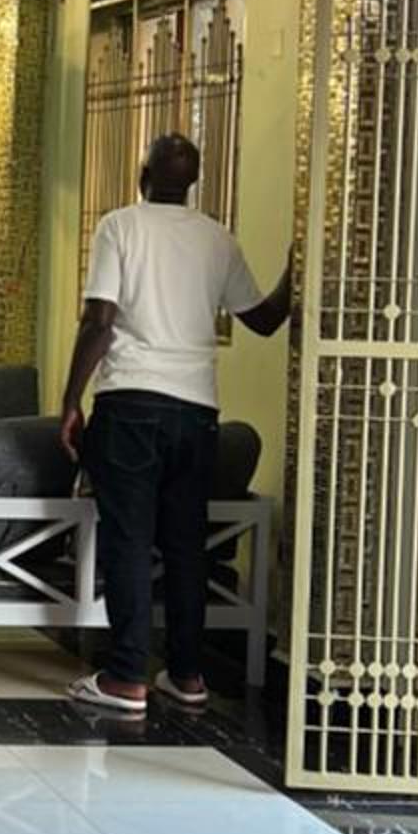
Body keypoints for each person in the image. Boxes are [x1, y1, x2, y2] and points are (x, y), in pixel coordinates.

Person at [58, 134, 292, 715]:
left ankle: (125, 676)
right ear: (193, 183)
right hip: (196, 412)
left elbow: (100, 319)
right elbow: (265, 319)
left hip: (131, 404)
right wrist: (301, 264)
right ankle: (187, 675)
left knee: (129, 539)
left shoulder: (119, 227)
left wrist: (70, 399)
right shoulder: (217, 238)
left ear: (142, 174)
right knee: (187, 544)